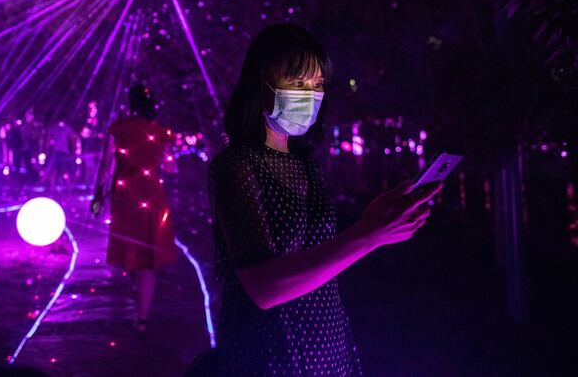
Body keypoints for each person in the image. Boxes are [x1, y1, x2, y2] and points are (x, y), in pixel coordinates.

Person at [208, 23, 441, 376]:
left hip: (328, 350)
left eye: (317, 84)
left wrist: (376, 223)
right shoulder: (235, 167)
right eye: (298, 82)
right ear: (260, 84)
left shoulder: (306, 166)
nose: (311, 94)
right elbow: (265, 287)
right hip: (268, 357)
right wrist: (368, 234)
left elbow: (321, 261)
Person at [91, 83, 179, 332]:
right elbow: (171, 167)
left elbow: (105, 165)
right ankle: (142, 318)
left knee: (131, 251)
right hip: (152, 197)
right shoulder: (161, 132)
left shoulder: (119, 130)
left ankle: (136, 291)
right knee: (147, 260)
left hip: (126, 196)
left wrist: (97, 196)